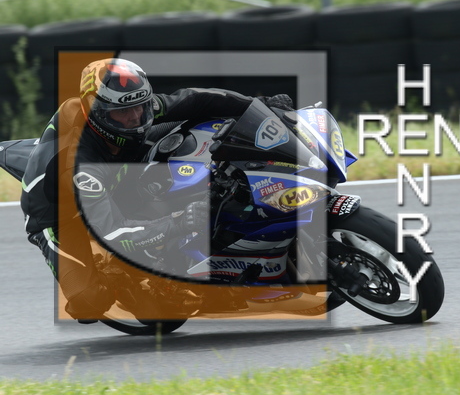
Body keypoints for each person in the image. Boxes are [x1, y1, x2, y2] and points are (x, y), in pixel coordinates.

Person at [20, 57, 293, 322]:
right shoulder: (78, 165)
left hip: (118, 168)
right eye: (123, 113)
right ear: (96, 112)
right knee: (88, 302)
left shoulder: (133, 108)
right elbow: (112, 232)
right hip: (61, 215)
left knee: (188, 129)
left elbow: (196, 100)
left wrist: (260, 105)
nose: (135, 118)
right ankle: (115, 274)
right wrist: (179, 222)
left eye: (140, 107)